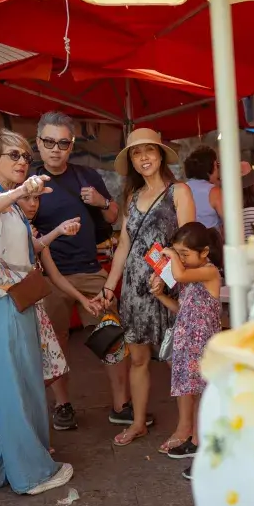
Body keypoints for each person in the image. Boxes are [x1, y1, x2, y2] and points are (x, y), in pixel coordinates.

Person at [0, 128, 73, 495]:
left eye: (25, 156)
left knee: (7, 385)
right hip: (4, 302)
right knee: (16, 385)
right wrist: (21, 191)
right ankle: (30, 473)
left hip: (15, 299)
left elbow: (27, 248)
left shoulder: (9, 203)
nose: (21, 161)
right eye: (13, 155)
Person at [32, 111, 132, 432]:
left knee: (110, 334)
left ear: (72, 145)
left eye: (63, 142)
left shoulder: (86, 175)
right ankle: (62, 405)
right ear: (39, 143)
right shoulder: (30, 182)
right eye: (49, 142)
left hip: (90, 271)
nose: (56, 149)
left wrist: (102, 201)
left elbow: (115, 217)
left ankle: (122, 404)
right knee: (56, 342)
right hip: (49, 277)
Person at [99, 128, 195, 447]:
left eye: (149, 151)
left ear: (160, 155)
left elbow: (188, 242)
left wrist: (170, 272)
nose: (144, 158)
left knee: (174, 358)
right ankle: (139, 422)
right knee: (138, 359)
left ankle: (186, 428)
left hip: (167, 286)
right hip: (134, 290)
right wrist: (110, 288)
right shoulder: (130, 197)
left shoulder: (178, 191)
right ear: (132, 160)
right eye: (137, 153)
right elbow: (124, 246)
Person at [149, 222, 223, 481]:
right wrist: (160, 296)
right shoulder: (191, 273)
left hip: (202, 347)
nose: (180, 259)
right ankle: (196, 442)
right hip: (187, 344)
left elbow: (178, 275)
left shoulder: (209, 271)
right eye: (178, 253)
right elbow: (183, 309)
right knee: (192, 392)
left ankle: (205, 453)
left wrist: (169, 256)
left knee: (204, 398)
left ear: (204, 252)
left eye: (184, 254)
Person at [16, 194, 100, 388]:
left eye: (36, 199)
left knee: (39, 365)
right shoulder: (12, 230)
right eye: (26, 198)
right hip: (13, 305)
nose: (32, 204)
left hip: (31, 304)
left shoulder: (35, 235)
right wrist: (58, 231)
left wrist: (83, 299)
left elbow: (55, 275)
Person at [183, 145, 223, 231]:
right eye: (216, 165)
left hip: (187, 241)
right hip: (211, 242)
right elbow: (231, 223)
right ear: (210, 167)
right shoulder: (214, 192)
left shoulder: (182, 188)